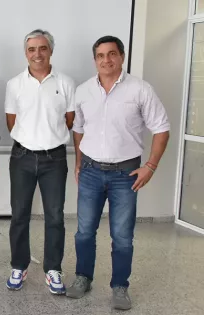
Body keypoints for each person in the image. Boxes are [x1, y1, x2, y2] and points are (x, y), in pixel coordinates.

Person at [67, 36, 170, 310]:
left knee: (122, 236)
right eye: (100, 55)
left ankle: (120, 286)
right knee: (84, 232)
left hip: (126, 174)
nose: (106, 60)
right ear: (95, 60)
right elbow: (78, 129)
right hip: (89, 170)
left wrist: (150, 166)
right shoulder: (84, 90)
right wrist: (78, 162)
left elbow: (161, 128)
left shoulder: (140, 89)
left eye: (112, 54)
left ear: (122, 57)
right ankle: (83, 277)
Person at [4, 29, 75, 294]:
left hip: (54, 158)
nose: (37, 54)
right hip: (22, 156)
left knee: (55, 216)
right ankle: (19, 266)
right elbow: (12, 122)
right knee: (19, 215)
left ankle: (53, 269)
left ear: (51, 51)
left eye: (42, 48)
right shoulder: (14, 84)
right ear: (26, 53)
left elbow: (69, 120)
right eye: (32, 49)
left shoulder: (66, 83)